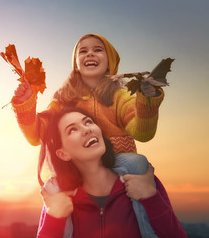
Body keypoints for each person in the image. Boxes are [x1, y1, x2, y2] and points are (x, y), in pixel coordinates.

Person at [12, 34, 165, 237]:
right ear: (75, 64)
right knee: (54, 185)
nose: (90, 53)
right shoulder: (62, 99)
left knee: (137, 162)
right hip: (78, 169)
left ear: (110, 61)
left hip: (117, 165)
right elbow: (37, 136)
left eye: (97, 49)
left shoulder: (120, 96)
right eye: (82, 51)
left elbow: (143, 133)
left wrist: (146, 101)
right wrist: (25, 106)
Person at [36, 107, 187, 238]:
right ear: (63, 154)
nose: (87, 129)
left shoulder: (141, 178)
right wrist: (53, 218)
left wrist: (151, 198)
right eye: (72, 129)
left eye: (88, 122)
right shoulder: (58, 199)